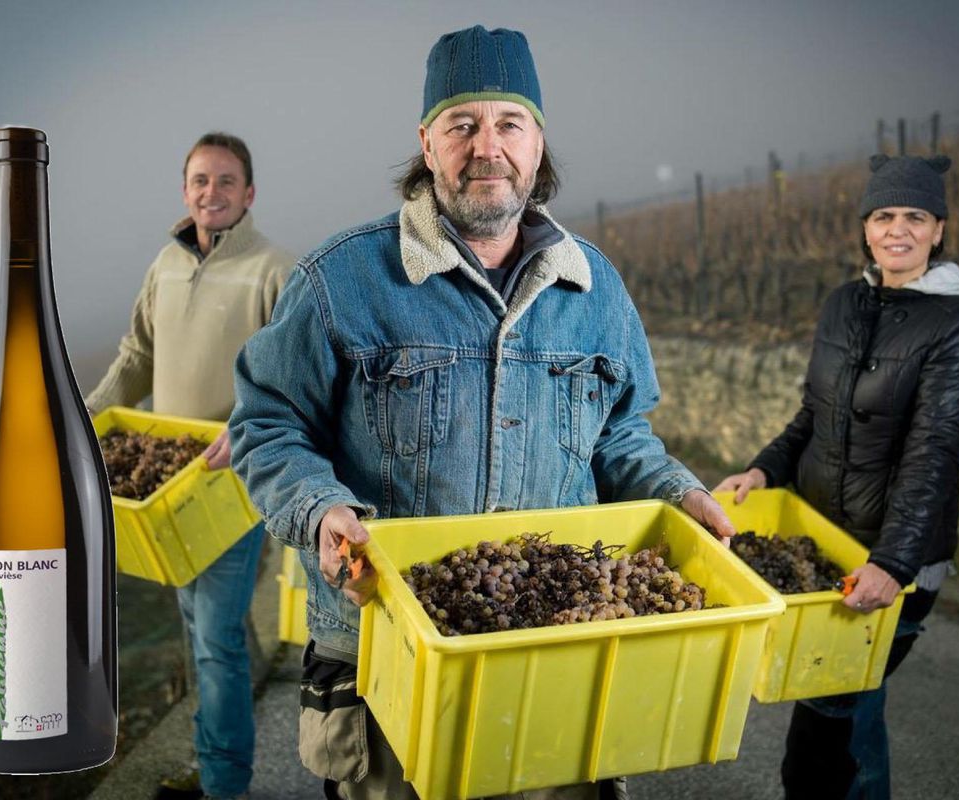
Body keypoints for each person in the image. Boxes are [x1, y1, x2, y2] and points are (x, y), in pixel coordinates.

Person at [228, 25, 736, 800]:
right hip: (389, 652)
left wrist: (674, 490)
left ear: (538, 145)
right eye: (462, 125)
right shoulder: (342, 280)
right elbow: (267, 424)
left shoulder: (594, 290)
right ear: (427, 144)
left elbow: (621, 434)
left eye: (509, 124)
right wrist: (321, 507)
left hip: (560, 645)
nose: (486, 146)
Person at [715, 154, 959, 799]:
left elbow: (937, 452)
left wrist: (894, 565)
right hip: (823, 540)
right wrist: (764, 468)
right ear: (866, 228)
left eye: (915, 217)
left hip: (891, 562)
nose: (898, 229)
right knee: (845, 712)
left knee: (828, 728)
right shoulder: (844, 303)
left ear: (939, 229)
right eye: (883, 215)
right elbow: (814, 413)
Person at [86, 131, 293, 800]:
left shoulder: (273, 270)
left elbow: (294, 377)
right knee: (196, 626)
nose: (213, 192)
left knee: (216, 639)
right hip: (168, 483)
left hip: (230, 481)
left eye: (227, 181)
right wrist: (78, 420)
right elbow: (134, 356)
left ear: (250, 193)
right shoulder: (166, 265)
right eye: (201, 180)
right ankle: (211, 770)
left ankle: (226, 786)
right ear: (185, 191)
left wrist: (248, 427)